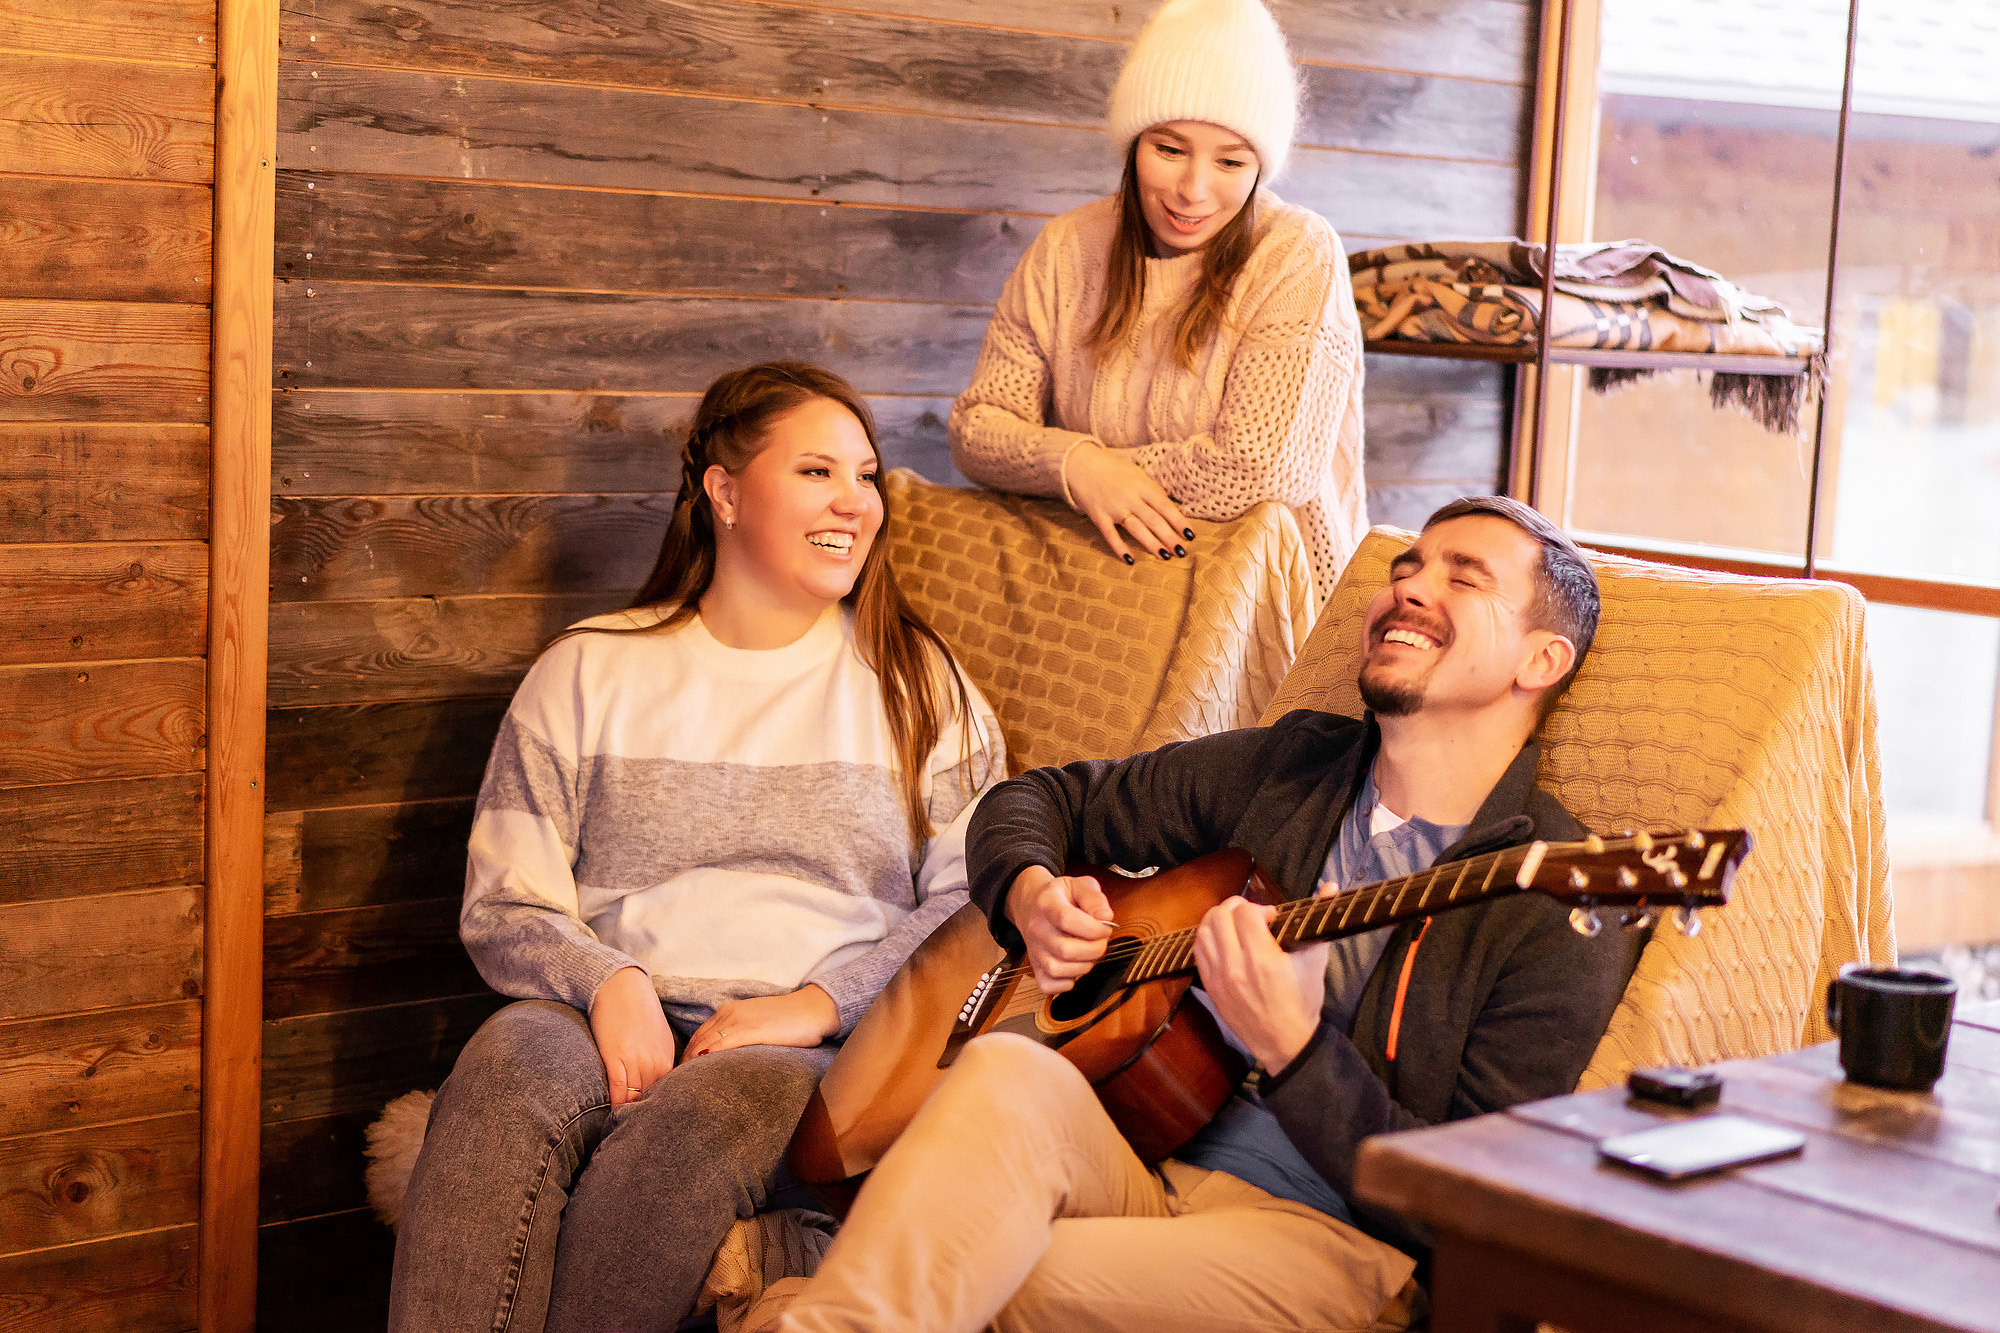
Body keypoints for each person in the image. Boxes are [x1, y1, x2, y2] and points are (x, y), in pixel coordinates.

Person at [763, 496, 1643, 1333]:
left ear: (1541, 661)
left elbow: (1475, 1206)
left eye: (1465, 576)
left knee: (977, 1263)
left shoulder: (1558, 894)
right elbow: (1041, 800)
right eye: (1409, 563)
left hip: (1333, 1241)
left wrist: (1296, 1050)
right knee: (1003, 1069)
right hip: (1147, 1160)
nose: (1410, 584)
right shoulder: (1294, 765)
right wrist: (1030, 894)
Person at [387, 362, 1005, 1333]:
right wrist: (606, 979)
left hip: (813, 1046)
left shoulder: (916, 683)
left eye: (866, 474)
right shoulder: (589, 669)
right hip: (596, 1014)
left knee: (700, 1122)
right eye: (816, 472)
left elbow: (973, 906)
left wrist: (813, 1004)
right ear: (723, 492)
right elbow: (506, 899)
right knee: (503, 1071)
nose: (856, 502)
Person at [950, 0, 1368, 605]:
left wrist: (1110, 475)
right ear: (1132, 144)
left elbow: (1263, 471)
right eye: (1170, 150)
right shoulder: (1067, 247)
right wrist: (1078, 466)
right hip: (1105, 595)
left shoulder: (1297, 252)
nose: (1193, 190)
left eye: (1230, 162)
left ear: (1260, 168)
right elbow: (977, 429)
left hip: (1264, 607)